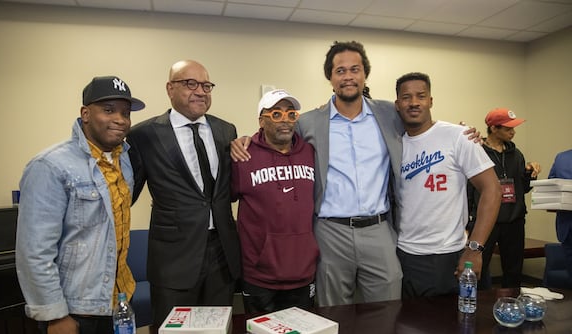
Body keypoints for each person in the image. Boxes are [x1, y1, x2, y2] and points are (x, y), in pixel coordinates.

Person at [232, 41, 479, 307]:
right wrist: (246, 139)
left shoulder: (389, 114)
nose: (348, 76)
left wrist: (465, 133)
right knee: (333, 314)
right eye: (340, 71)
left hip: (379, 229)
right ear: (330, 78)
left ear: (364, 75)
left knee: (388, 312)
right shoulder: (309, 122)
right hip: (330, 232)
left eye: (355, 69)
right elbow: (278, 138)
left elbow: (421, 121)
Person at [16, 76, 145, 334]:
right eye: (109, 110)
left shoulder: (123, 158)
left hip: (118, 301)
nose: (120, 120)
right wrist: (55, 315)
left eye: (125, 113)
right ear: (85, 114)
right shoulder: (50, 166)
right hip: (76, 310)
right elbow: (34, 251)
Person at [126, 60, 241, 327]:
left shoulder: (226, 130)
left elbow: (229, 189)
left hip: (221, 254)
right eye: (190, 84)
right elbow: (127, 194)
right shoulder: (144, 135)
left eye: (206, 85)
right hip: (173, 259)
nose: (200, 91)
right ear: (170, 88)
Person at [394, 72, 501, 298]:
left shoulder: (459, 136)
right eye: (406, 97)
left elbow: (492, 189)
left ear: (431, 100)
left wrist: (475, 249)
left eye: (421, 96)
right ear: (397, 104)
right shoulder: (394, 144)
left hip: (448, 254)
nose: (414, 102)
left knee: (453, 329)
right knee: (409, 329)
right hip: (404, 255)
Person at [231, 89, 318, 313]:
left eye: (291, 114)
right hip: (260, 274)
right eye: (276, 114)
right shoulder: (244, 155)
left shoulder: (309, 152)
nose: (285, 121)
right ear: (261, 120)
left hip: (303, 272)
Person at [467, 108, 541, 289]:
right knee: (479, 269)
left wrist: (530, 174)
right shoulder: (477, 152)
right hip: (486, 222)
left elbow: (522, 189)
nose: (513, 132)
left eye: (514, 128)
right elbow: (469, 188)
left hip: (514, 221)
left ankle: (511, 307)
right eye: (508, 129)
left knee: (514, 270)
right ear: (493, 128)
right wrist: (468, 220)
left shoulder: (517, 155)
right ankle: (478, 310)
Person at [548, 149, 572, 266]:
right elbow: (550, 186)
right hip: (567, 227)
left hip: (566, 226)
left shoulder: (562, 157)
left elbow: (550, 186)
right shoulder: (561, 158)